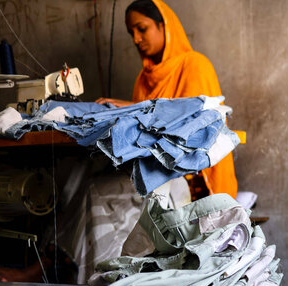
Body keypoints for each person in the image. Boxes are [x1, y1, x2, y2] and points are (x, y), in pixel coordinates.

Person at [96, 0, 237, 198]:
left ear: (164, 26)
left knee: (102, 197)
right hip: (155, 168)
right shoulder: (143, 79)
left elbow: (194, 127)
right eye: (131, 33)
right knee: (94, 189)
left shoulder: (195, 65)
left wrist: (135, 109)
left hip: (193, 173)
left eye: (142, 29)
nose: (136, 39)